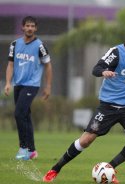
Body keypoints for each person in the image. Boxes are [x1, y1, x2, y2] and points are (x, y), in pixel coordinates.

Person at [42, 23, 125, 183]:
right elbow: (96, 68)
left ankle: (109, 169)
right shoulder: (116, 52)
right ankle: (55, 169)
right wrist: (104, 71)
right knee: (86, 140)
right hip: (108, 106)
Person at [4, 16, 52, 161]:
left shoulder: (40, 46)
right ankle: (32, 151)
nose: (30, 28)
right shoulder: (14, 44)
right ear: (22, 27)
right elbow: (11, 64)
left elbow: (48, 65)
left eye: (32, 26)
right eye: (27, 26)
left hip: (32, 84)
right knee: (24, 116)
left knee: (19, 113)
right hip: (18, 85)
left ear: (35, 28)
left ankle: (23, 148)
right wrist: (7, 83)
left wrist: (48, 86)